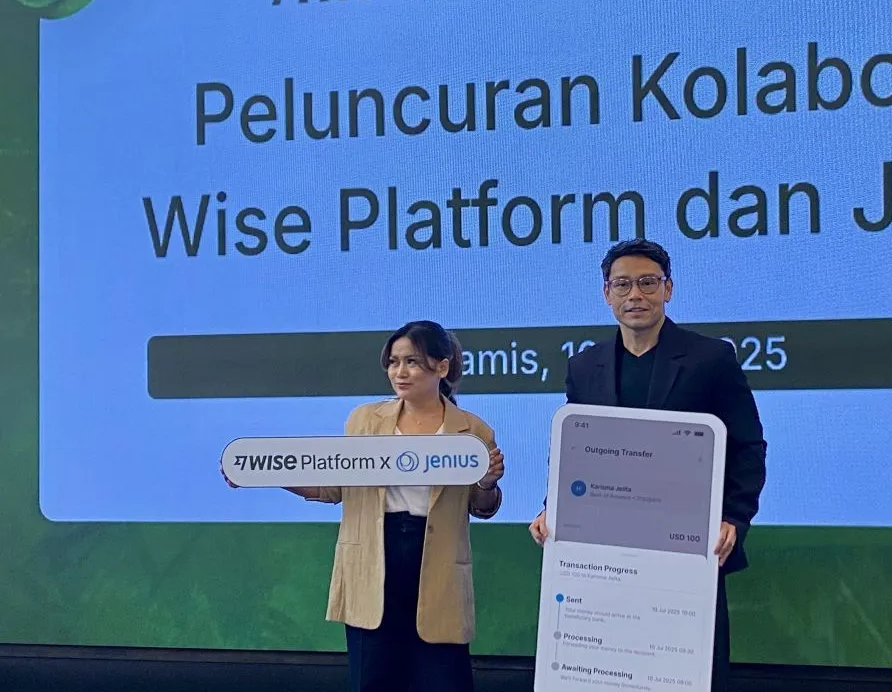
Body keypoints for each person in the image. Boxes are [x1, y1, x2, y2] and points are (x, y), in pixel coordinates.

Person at [528, 238, 767, 691]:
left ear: (668, 288)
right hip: (604, 546)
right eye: (622, 285)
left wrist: (734, 518)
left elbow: (748, 446)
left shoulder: (711, 358)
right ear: (607, 293)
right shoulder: (584, 366)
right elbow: (574, 450)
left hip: (687, 541)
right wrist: (551, 508)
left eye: (647, 283)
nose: (635, 294)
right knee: (608, 667)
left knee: (689, 669)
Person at [223, 320, 505, 692]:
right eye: (393, 362)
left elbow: (484, 506)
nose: (399, 372)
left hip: (436, 560)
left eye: (412, 362)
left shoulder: (472, 430)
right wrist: (264, 473)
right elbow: (332, 488)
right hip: (373, 557)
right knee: (373, 678)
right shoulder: (364, 420)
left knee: (443, 679)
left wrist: (487, 482)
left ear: (442, 366)